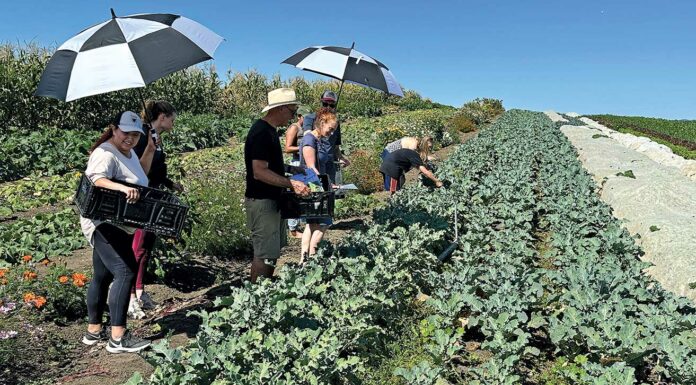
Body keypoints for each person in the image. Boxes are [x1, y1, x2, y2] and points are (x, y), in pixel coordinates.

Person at [79, 111, 154, 354]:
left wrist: (150, 149)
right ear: (113, 129)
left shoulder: (128, 152)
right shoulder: (105, 153)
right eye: (126, 133)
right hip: (103, 221)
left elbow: (138, 175)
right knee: (125, 270)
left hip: (120, 221)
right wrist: (121, 188)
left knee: (102, 275)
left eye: (135, 135)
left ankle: (93, 331)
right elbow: (96, 179)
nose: (130, 139)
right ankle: (118, 337)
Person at [245, 88, 310, 283]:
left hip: (271, 200)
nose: (292, 117)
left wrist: (291, 169)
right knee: (264, 254)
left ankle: (262, 293)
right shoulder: (261, 133)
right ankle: (255, 296)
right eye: (292, 111)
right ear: (280, 108)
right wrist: (291, 183)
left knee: (271, 253)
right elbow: (259, 171)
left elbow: (270, 164)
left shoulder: (270, 132)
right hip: (262, 202)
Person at [127, 100, 182, 319]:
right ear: (162, 116)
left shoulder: (155, 137)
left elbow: (156, 170)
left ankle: (140, 291)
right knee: (137, 247)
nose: (173, 122)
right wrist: (150, 147)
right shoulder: (141, 137)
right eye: (172, 118)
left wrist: (169, 183)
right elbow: (138, 170)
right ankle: (129, 297)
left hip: (153, 196)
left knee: (146, 247)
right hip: (140, 198)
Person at [298, 108, 338, 263]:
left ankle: (304, 260)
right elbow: (311, 168)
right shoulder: (309, 140)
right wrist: (326, 186)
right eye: (330, 129)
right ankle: (313, 258)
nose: (332, 133)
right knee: (324, 222)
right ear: (322, 123)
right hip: (312, 187)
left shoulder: (318, 140)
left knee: (312, 223)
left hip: (315, 185)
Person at [302, 90, 350, 183]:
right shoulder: (310, 118)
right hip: (316, 163)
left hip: (329, 165)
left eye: (331, 105)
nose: (328, 107)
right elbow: (307, 138)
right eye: (325, 104)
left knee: (330, 191)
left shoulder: (335, 124)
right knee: (319, 189)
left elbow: (335, 147)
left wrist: (341, 158)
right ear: (321, 102)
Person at [284, 106, 311, 238]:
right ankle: (293, 229)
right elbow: (287, 148)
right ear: (299, 116)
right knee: (296, 194)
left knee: (305, 192)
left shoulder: (307, 128)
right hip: (296, 163)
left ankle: (303, 224)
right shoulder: (294, 127)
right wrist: (303, 147)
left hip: (305, 163)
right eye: (304, 117)